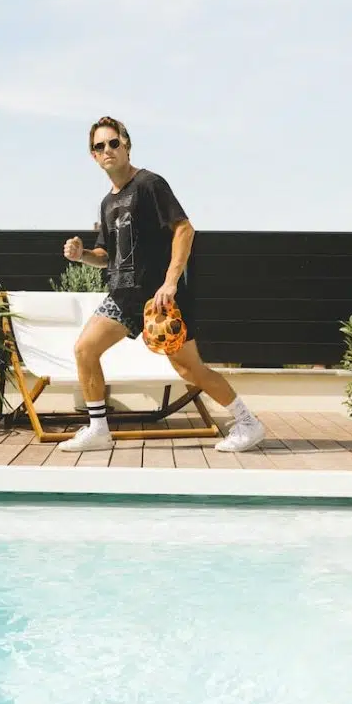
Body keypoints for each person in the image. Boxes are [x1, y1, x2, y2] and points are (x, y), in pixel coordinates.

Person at [58, 116, 266, 453]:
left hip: (159, 298)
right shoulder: (107, 202)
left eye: (114, 143)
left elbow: (184, 229)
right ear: (93, 156)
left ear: (126, 145)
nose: (108, 150)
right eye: (100, 146)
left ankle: (248, 423)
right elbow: (106, 255)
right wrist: (83, 255)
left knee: (189, 369)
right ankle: (98, 429)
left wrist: (170, 282)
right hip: (123, 296)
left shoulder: (149, 184)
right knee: (85, 349)